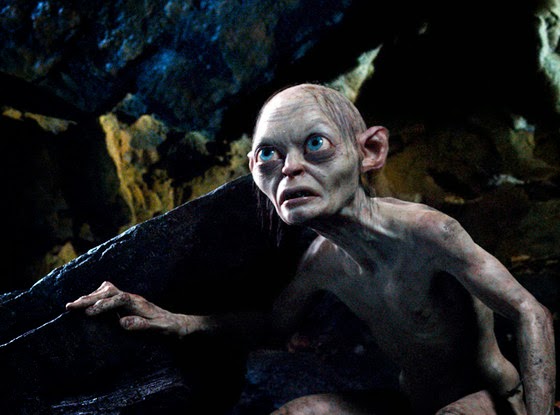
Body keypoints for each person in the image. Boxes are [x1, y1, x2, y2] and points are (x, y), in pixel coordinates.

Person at [67, 83, 556, 414]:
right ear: (253, 170)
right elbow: (272, 327)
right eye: (269, 154)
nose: (289, 168)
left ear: (370, 151)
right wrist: (173, 320)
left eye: (316, 144)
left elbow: (530, 311)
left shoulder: (429, 234)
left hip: (492, 400)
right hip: (412, 404)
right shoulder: (322, 261)